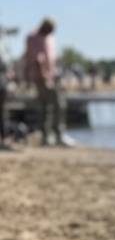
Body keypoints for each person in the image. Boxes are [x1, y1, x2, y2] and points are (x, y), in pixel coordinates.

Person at [23, 17, 75, 147]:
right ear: (45, 27)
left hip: (52, 76)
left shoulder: (49, 37)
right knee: (51, 106)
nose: (52, 32)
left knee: (53, 106)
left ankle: (51, 136)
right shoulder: (33, 37)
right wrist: (45, 78)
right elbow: (37, 59)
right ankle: (52, 136)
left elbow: (50, 57)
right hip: (43, 78)